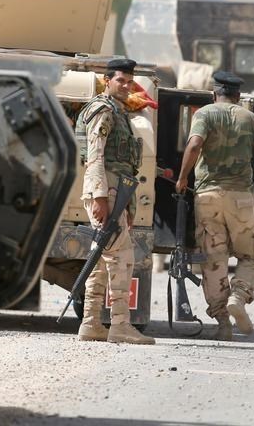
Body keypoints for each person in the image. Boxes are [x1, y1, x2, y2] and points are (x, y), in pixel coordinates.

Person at [176, 71, 254, 341]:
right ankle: (238, 297)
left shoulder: (204, 114)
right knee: (252, 255)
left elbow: (194, 145)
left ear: (215, 93)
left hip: (207, 197)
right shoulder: (250, 119)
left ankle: (223, 323)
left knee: (214, 261)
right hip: (240, 197)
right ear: (239, 96)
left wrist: (182, 178)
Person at [74, 58, 155, 345]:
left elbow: (124, 163)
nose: (126, 85)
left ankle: (91, 323)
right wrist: (99, 196)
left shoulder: (119, 111)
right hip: (105, 188)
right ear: (107, 81)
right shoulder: (104, 109)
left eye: (129, 81)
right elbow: (95, 154)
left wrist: (127, 206)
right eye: (120, 80)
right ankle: (120, 324)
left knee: (102, 257)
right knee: (122, 256)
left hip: (115, 189)